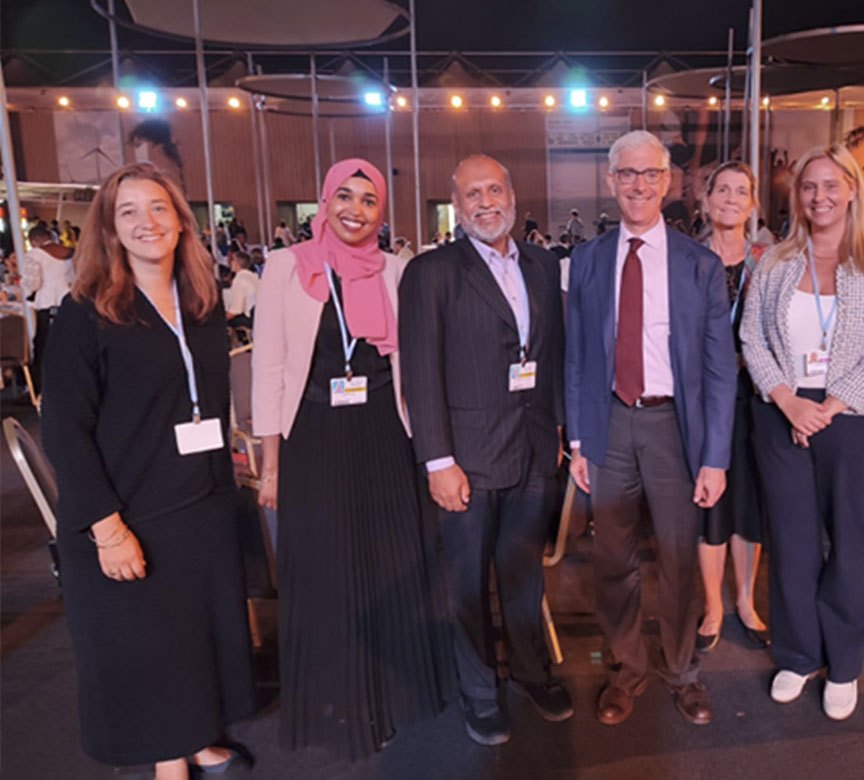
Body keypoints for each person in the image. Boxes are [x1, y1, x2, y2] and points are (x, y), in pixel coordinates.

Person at [41, 162, 255, 779]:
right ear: (108, 228)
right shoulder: (86, 312)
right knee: (154, 639)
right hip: (129, 508)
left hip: (200, 499)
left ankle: (197, 737)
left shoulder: (202, 304)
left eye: (159, 208)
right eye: (128, 211)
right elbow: (64, 431)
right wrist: (107, 528)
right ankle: (170, 761)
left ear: (181, 221)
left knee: (196, 633)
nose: (147, 222)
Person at [252, 158, 453, 759]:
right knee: (326, 570)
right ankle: (336, 698)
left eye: (369, 200)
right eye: (344, 196)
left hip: (385, 433)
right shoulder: (287, 266)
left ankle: (387, 696)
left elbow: (413, 360)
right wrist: (270, 465)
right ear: (324, 201)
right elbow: (268, 367)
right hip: (312, 436)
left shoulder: (396, 269)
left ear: (381, 212)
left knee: (388, 568)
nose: (355, 210)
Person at [565, 130, 736, 727]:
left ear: (668, 182)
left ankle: (683, 671)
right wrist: (578, 441)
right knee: (612, 557)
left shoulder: (700, 265)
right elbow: (577, 356)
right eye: (626, 173)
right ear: (610, 181)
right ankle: (626, 670)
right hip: (608, 424)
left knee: (679, 557)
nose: (638, 185)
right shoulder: (587, 260)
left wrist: (715, 457)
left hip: (674, 428)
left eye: (649, 174)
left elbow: (719, 368)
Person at [400, 154, 571, 745]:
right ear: (456, 205)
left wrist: (556, 429)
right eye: (472, 194)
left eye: (494, 189)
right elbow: (420, 374)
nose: (485, 202)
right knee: (467, 585)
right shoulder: (431, 273)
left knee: (523, 575)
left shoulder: (544, 265)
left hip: (533, 451)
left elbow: (552, 356)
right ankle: (479, 691)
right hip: (465, 461)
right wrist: (438, 461)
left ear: (512, 195)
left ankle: (531, 671)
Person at [739, 144, 864, 721]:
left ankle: (844, 661)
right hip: (782, 412)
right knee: (791, 541)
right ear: (798, 196)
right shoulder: (775, 261)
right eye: (809, 187)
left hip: (854, 417)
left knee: (851, 543)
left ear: (853, 190)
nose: (820, 197)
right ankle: (797, 654)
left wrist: (831, 404)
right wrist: (788, 400)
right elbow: (751, 337)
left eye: (831, 185)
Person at [694, 161, 770, 654]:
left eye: (741, 191)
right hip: (704, 398)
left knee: (748, 502)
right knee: (710, 503)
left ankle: (745, 600)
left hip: (756, 395)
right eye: (722, 189)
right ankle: (712, 606)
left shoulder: (769, 261)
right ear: (706, 200)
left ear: (752, 203)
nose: (730, 198)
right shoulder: (688, 259)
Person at [22, 224, 75, 389]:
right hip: (70, 304)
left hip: (47, 306)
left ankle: (40, 388)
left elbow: (32, 284)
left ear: (34, 241)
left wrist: (26, 293)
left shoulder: (35, 255)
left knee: (43, 348)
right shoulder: (71, 252)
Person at [224, 250, 260, 327]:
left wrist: (222, 320)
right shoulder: (255, 277)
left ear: (237, 263)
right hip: (259, 315)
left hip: (250, 318)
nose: (231, 263)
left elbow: (236, 309)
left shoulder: (239, 280)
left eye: (232, 261)